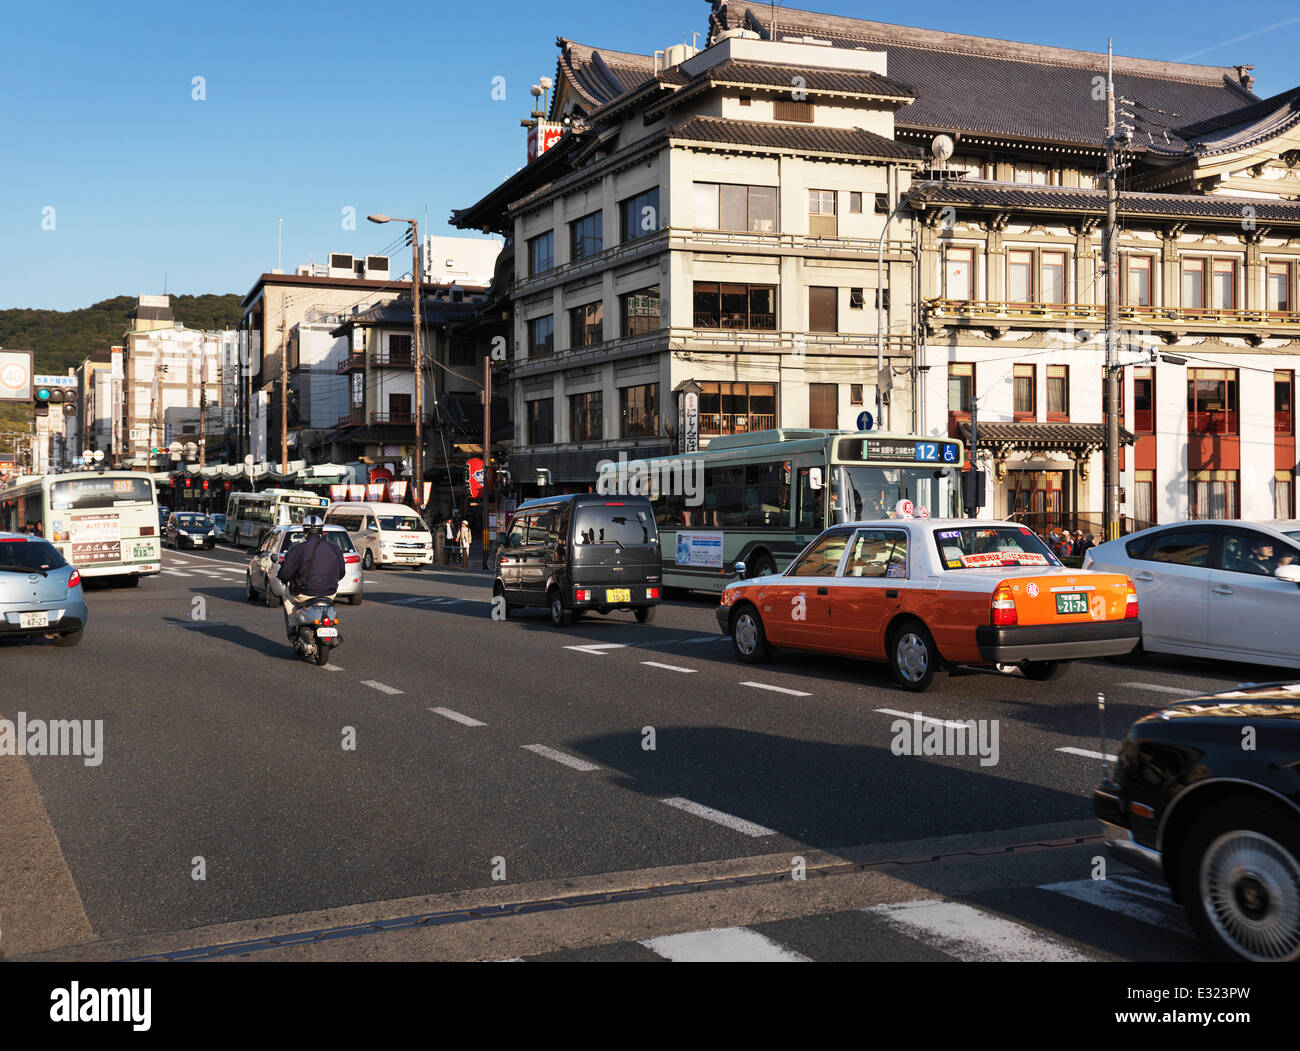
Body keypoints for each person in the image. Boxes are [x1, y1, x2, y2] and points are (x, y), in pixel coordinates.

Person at [277, 516, 346, 640]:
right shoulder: (335, 549)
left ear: (304, 531)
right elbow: (341, 573)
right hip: (330, 592)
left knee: (286, 596)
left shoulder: (297, 550)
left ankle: (293, 627)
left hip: (305, 593)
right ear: (321, 531)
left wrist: (285, 578)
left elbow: (285, 573)